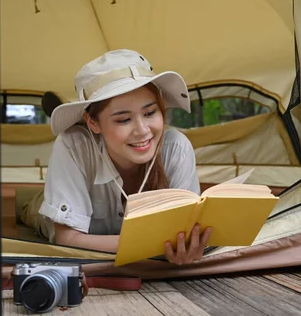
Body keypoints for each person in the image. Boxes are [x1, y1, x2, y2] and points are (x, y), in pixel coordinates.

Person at [32, 49, 212, 265]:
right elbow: (67, 238)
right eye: (124, 119)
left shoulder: (176, 148)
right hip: (42, 210)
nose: (142, 130)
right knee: (33, 207)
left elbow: (185, 235)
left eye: (150, 113)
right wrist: (156, 246)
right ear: (93, 123)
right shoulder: (73, 145)